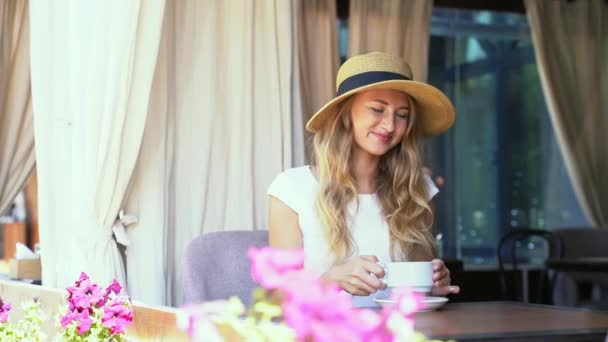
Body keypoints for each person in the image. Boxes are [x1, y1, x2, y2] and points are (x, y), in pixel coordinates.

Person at [267, 52, 460, 305]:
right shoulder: (292, 189)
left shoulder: (418, 190)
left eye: (401, 115)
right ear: (345, 114)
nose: (390, 125)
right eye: (377, 109)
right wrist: (331, 280)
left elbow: (415, 285)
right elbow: (277, 298)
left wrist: (431, 284)